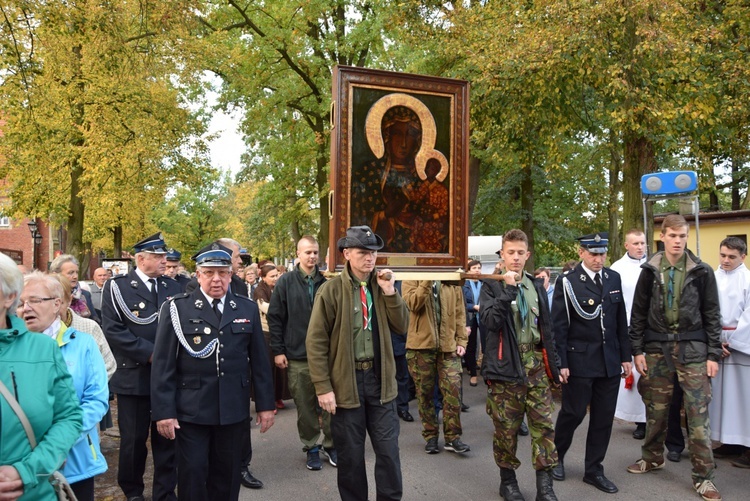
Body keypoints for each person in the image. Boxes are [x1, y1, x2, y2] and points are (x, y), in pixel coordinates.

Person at [151, 243, 275, 501]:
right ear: (198, 275)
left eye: (222, 273)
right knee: (193, 475)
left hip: (232, 410)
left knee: (227, 476)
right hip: (192, 411)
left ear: (231, 275)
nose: (216, 279)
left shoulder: (246, 308)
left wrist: (265, 406)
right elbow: (163, 365)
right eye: (209, 273)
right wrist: (164, 412)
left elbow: (260, 364)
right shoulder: (178, 308)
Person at [307, 225, 409, 501]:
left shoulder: (384, 286)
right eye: (363, 252)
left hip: (381, 383)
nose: (370, 258)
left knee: (388, 454)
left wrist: (390, 293)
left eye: (373, 253)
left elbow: (402, 327)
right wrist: (322, 386)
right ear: (346, 254)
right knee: (351, 459)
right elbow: (316, 342)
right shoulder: (330, 291)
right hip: (346, 385)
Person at [626, 215, 722, 501]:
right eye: (673, 236)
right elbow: (638, 314)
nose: (678, 241)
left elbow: (713, 315)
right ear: (663, 236)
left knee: (697, 414)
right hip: (656, 350)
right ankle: (653, 457)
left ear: (687, 236)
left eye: (682, 236)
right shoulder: (649, 270)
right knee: (655, 410)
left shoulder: (702, 271)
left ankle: (704, 478)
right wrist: (637, 350)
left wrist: (713, 354)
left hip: (694, 350)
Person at [479, 229, 562, 501]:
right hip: (506, 369)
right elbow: (490, 322)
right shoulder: (491, 285)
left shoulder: (536, 285)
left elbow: (547, 329)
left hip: (535, 365)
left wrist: (556, 366)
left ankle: (545, 486)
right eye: (510, 252)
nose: (515, 258)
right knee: (507, 430)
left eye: (520, 253)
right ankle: (508, 482)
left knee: (544, 428)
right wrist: (509, 289)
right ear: (502, 255)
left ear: (527, 255)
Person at [101, 233, 182, 501]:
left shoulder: (172, 287)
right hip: (134, 376)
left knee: (167, 439)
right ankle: (133, 491)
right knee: (133, 442)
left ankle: (164, 492)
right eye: (158, 256)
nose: (164, 261)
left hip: (168, 378)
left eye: (164, 256)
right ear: (140, 258)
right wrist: (151, 355)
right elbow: (114, 330)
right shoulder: (117, 286)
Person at [551, 232, 631, 494]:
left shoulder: (613, 278)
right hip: (579, 360)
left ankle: (594, 469)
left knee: (603, 418)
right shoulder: (568, 282)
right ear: (581, 253)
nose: (599, 259)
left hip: (608, 362)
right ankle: (557, 456)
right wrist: (560, 362)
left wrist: (625, 356)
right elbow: (559, 327)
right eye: (593, 253)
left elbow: (621, 321)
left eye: (602, 253)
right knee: (573, 413)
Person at [18, 272, 109, 501]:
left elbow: (96, 401)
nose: (26, 308)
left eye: (35, 301)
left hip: (74, 460)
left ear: (57, 303)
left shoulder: (84, 344)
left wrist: (58, 443)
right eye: (20, 303)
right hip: (21, 463)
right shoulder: (9, 349)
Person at [0, 252, 83, 501]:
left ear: (9, 297)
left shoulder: (42, 349)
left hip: (33, 492)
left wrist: (27, 471)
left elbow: (68, 417)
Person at [268, 235, 335, 470]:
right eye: (307, 252)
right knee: (305, 407)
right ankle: (311, 447)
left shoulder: (327, 282)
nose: (312, 256)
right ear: (298, 254)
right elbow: (275, 318)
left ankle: (331, 445)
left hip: (326, 356)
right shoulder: (285, 282)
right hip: (297, 356)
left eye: (315, 252)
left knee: (329, 404)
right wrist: (278, 350)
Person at [352, 106, 443, 253]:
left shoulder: (422, 177)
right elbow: (357, 218)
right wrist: (384, 214)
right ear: (387, 136)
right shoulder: (369, 172)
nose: (403, 143)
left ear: (418, 140)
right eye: (398, 134)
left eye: (410, 135)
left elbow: (436, 216)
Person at [402, 278, 470, 456]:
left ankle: (453, 438)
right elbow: (412, 304)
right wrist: (426, 280)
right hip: (420, 347)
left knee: (453, 390)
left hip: (448, 347)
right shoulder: (411, 279)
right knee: (424, 394)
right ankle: (430, 435)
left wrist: (462, 339)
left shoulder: (451, 280)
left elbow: (460, 312)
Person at [709, 237, 750, 467]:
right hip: (718, 345)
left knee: (745, 399)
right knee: (724, 398)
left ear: (743, 256)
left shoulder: (748, 279)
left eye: (731, 257)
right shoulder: (711, 278)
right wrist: (715, 341)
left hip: (740, 346)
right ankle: (730, 441)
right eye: (723, 255)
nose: (725, 260)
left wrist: (732, 343)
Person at [610, 229, 649, 439]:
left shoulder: (652, 265)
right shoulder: (617, 268)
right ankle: (638, 419)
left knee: (647, 373)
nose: (640, 247)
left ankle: (648, 418)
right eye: (635, 243)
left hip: (648, 329)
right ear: (626, 245)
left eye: (642, 243)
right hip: (625, 327)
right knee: (630, 374)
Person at [54, 274, 116, 381]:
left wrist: (86, 387)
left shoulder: (88, 327)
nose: (54, 309)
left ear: (69, 300)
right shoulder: (34, 329)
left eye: (59, 303)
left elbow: (109, 365)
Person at [253, 264, 291, 412]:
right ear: (263, 277)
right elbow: (266, 309)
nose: (275, 278)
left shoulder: (281, 287)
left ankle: (278, 397)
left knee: (281, 368)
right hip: (266, 332)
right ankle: (267, 401)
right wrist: (284, 307)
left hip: (281, 330)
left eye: (277, 275)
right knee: (268, 368)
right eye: (272, 276)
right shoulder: (259, 290)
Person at [49, 254, 99, 324]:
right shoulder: (47, 296)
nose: (75, 276)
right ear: (56, 274)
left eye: (77, 272)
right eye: (70, 273)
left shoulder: (84, 294)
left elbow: (95, 320)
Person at [463, 260, 482, 388]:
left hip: (483, 317)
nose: (477, 270)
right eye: (474, 268)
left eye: (479, 268)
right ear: (468, 270)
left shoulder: (484, 283)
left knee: (485, 345)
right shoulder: (464, 284)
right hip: (471, 317)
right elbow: (463, 304)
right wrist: (474, 306)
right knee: (471, 345)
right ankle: (473, 374)